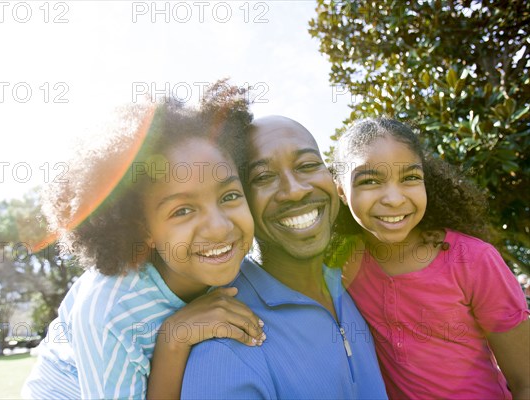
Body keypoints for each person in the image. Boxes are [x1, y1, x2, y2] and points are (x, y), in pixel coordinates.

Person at [21, 83, 266, 400]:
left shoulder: (239, 268)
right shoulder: (109, 309)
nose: (219, 228)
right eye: (183, 210)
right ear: (142, 228)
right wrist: (174, 339)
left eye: (230, 195)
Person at [181, 116, 388, 399]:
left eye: (307, 166)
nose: (294, 191)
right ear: (238, 199)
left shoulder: (351, 284)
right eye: (263, 177)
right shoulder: (229, 342)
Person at [332, 117, 530, 399]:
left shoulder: (473, 260)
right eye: (370, 181)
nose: (394, 199)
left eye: (410, 178)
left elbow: (526, 380)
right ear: (340, 190)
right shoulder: (343, 263)